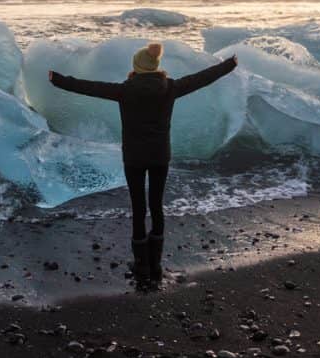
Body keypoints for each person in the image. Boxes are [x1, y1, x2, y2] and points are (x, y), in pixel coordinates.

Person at [48, 43, 238, 286]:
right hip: (160, 157)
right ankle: (155, 264)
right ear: (155, 68)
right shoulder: (170, 87)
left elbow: (89, 88)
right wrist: (229, 65)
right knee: (156, 206)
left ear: (137, 68)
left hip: (134, 158)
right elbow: (202, 78)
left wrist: (58, 80)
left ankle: (141, 266)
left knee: (138, 208)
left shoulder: (125, 90)